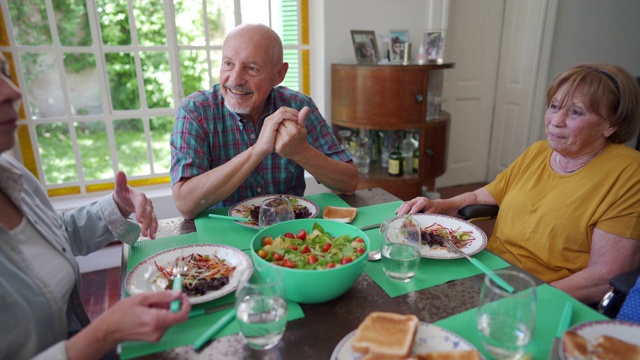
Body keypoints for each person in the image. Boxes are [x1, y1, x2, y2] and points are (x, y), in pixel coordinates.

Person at [397, 63, 640, 304]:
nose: (557, 120)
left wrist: (528, 299)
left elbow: (604, 276)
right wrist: (440, 205)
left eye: (576, 112)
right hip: (490, 269)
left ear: (612, 124)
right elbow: (483, 197)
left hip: (547, 293)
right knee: (405, 284)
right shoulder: (538, 152)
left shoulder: (629, 173)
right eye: (554, 106)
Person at [0, 55, 191, 358]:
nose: (12, 90)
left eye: (4, 72)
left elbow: (54, 234)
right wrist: (107, 332)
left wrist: (118, 204)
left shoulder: (10, 173)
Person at [170, 23, 357, 219]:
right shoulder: (195, 111)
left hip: (289, 233)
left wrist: (301, 152)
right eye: (228, 64)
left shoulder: (298, 106)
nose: (235, 80)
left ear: (279, 74)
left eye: (251, 69)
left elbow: (349, 182)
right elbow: (185, 204)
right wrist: (258, 149)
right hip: (222, 236)